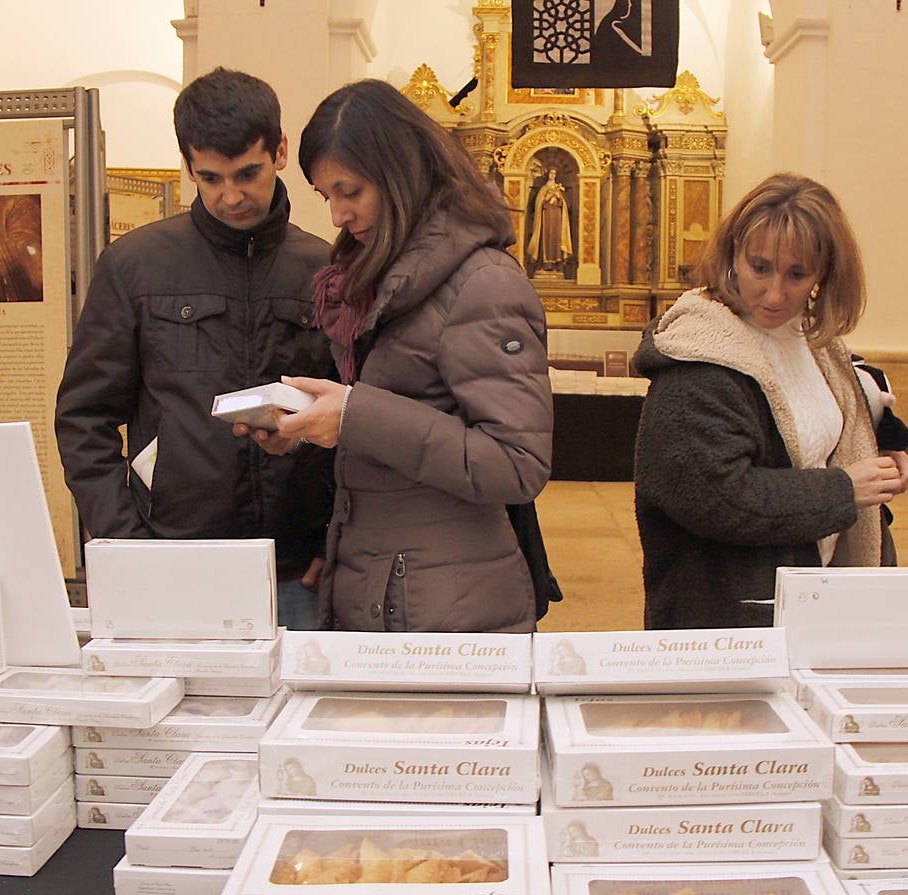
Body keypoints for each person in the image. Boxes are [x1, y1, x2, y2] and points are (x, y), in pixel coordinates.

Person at [236, 79, 553, 633]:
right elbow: (389, 429)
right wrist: (307, 426)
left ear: (400, 174)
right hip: (388, 580)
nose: (335, 215)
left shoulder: (483, 283)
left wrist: (354, 417)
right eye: (325, 196)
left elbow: (517, 463)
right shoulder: (375, 278)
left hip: (448, 604)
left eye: (349, 191)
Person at [55, 68, 336, 630]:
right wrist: (127, 542)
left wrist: (340, 540)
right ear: (187, 165)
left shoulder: (326, 269)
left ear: (279, 152)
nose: (231, 196)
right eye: (210, 177)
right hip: (170, 560)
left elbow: (352, 420)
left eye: (247, 174)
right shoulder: (134, 266)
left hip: (298, 569)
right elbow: (83, 419)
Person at [633, 173, 908, 630]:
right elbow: (716, 497)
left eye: (797, 275)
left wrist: (883, 451)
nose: (775, 294)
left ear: (824, 274)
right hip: (728, 619)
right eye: (760, 267)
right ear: (733, 255)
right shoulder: (697, 361)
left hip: (811, 600)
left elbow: (828, 428)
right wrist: (844, 489)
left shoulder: (813, 342)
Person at [527, 168, 573, 270]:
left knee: (557, 238)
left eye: (554, 173)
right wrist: (547, 198)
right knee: (546, 237)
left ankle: (557, 264)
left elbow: (567, 206)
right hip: (546, 216)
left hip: (557, 216)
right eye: (551, 173)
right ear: (547, 174)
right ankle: (544, 263)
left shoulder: (559, 189)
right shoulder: (543, 189)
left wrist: (559, 198)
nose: (552, 175)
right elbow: (538, 203)